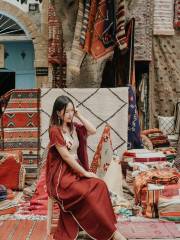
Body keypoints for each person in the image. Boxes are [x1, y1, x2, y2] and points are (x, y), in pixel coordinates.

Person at [46, 95, 126, 240]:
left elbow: (93, 130)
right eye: (67, 111)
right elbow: (66, 157)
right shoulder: (55, 131)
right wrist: (85, 173)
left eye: (72, 110)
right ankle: (112, 233)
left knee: (100, 185)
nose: (70, 114)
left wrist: (79, 114)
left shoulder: (74, 128)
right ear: (58, 113)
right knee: (86, 193)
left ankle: (109, 228)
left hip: (77, 171)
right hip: (62, 176)